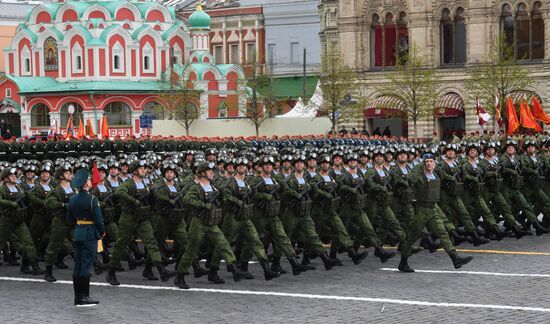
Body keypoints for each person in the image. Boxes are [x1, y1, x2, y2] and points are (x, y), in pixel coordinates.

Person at [398, 152, 473, 273]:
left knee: (443, 233)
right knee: (411, 237)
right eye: (426, 161)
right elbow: (409, 178)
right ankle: (403, 262)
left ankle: (455, 259)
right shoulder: (419, 176)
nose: (428, 163)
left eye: (431, 161)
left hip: (433, 208)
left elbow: (447, 175)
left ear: (435, 163)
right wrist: (418, 166)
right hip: (421, 210)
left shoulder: (437, 174)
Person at [67, 168, 105, 306]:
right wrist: (101, 233)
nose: (90, 181)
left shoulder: (72, 199)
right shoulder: (92, 199)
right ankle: (84, 296)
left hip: (78, 232)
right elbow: (99, 220)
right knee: (86, 265)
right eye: (89, 180)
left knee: (78, 265)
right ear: (86, 184)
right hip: (90, 233)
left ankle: (77, 297)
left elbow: (70, 219)